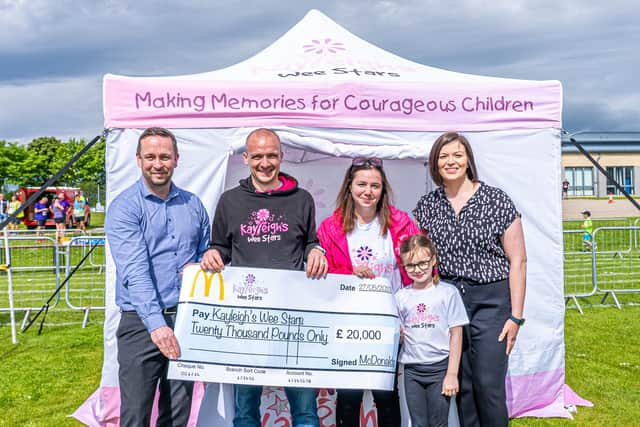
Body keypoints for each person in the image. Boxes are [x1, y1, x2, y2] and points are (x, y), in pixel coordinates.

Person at [200, 128, 328, 427]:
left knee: (306, 410)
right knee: (245, 410)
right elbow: (219, 246)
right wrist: (211, 255)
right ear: (246, 158)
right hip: (248, 322)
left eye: (272, 155)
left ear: (282, 157)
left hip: (294, 319)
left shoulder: (302, 199)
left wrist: (316, 250)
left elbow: (310, 240)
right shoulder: (230, 201)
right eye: (257, 156)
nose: (265, 162)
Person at [413, 132, 526, 427]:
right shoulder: (427, 206)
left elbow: (518, 261)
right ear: (435, 164)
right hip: (450, 303)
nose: (451, 161)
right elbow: (420, 257)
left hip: (491, 302)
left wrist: (516, 317)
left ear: (468, 160)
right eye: (443, 156)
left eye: (457, 155)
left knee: (488, 385)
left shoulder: (496, 200)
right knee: (461, 386)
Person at [105, 127, 211, 426]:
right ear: (138, 160)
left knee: (178, 413)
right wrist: (157, 325)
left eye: (165, 156)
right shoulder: (125, 207)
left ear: (176, 159)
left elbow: (204, 253)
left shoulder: (193, 204)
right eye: (150, 156)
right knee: (136, 414)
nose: (158, 163)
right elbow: (134, 272)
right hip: (140, 323)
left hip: (186, 319)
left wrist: (208, 259)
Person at [316, 156, 419, 426]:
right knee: (348, 395)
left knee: (386, 394)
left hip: (389, 324)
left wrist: (406, 319)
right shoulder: (330, 227)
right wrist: (350, 273)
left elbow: (418, 270)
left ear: (383, 189)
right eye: (361, 184)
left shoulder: (401, 223)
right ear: (349, 186)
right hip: (348, 323)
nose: (368, 192)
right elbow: (321, 275)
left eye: (375, 186)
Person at [396, 234, 468, 427]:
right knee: (418, 423)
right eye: (410, 265)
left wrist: (452, 374)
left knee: (438, 423)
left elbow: (457, 333)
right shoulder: (401, 297)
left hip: (440, 369)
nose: (417, 270)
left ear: (433, 259)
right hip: (412, 371)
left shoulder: (447, 293)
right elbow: (400, 333)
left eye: (422, 263)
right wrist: (399, 336)